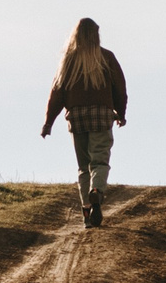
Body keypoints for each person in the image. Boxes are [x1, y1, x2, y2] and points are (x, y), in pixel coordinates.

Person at [39, 16, 127, 227]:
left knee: (83, 166)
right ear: (96, 35)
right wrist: (121, 113)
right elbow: (119, 88)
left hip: (77, 118)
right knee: (99, 161)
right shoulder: (106, 57)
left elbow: (57, 94)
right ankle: (96, 190)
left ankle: (87, 212)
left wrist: (48, 122)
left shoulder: (68, 61)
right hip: (101, 115)